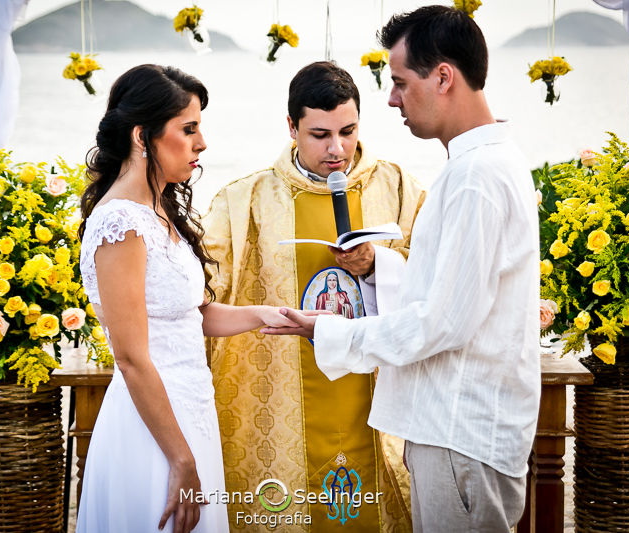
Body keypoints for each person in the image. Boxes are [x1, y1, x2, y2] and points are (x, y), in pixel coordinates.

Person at [262, 7, 541, 532]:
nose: (390, 99)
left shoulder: (476, 177)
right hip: (457, 429)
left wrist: (331, 330)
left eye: (399, 82)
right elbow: (451, 296)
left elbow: (443, 321)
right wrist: (375, 269)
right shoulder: (481, 164)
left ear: (442, 77)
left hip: (462, 434)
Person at [202, 61, 426, 531]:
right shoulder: (244, 202)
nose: (337, 149)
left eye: (347, 131)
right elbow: (200, 292)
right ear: (291, 127)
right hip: (280, 391)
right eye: (320, 134)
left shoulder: (398, 188)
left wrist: (377, 265)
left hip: (374, 393)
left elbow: (434, 280)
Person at [75, 65, 296, 533]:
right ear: (142, 136)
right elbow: (132, 358)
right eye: (188, 128)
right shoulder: (120, 225)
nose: (202, 143)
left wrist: (265, 315)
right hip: (152, 427)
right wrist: (179, 458)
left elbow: (184, 317)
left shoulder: (159, 210)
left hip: (191, 410)